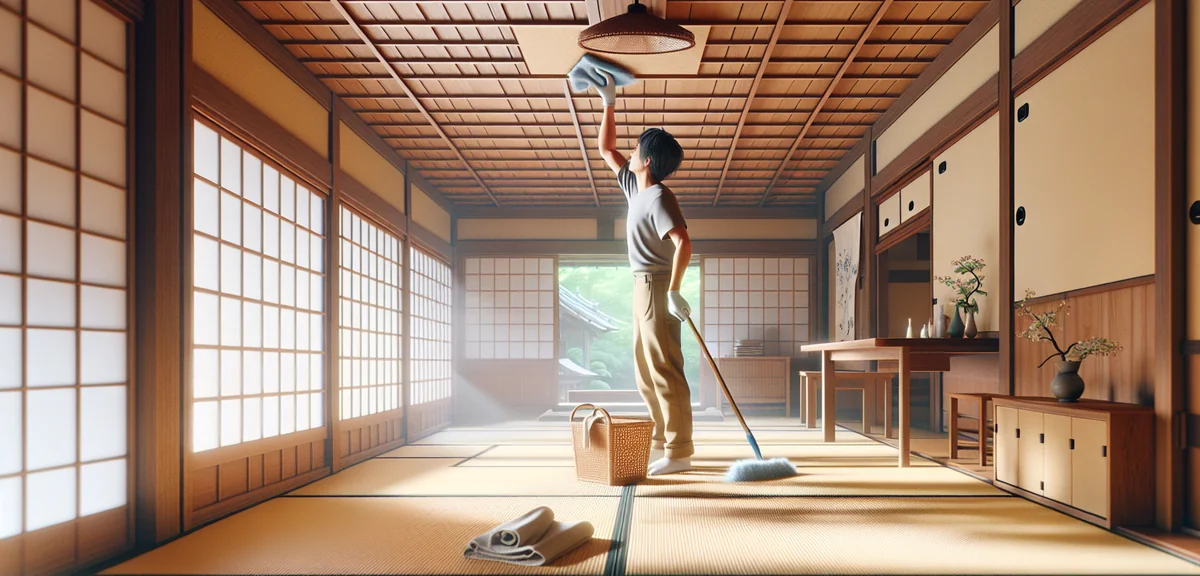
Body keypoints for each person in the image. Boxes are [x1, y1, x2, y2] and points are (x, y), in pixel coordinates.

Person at [592, 71, 694, 476]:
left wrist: (675, 290)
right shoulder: (635, 187)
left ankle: (680, 451)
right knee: (645, 371)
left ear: (647, 160)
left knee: (665, 368)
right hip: (641, 285)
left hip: (657, 285)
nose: (630, 153)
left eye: (636, 149)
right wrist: (609, 102)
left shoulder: (660, 197)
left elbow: (683, 242)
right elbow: (606, 148)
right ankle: (661, 440)